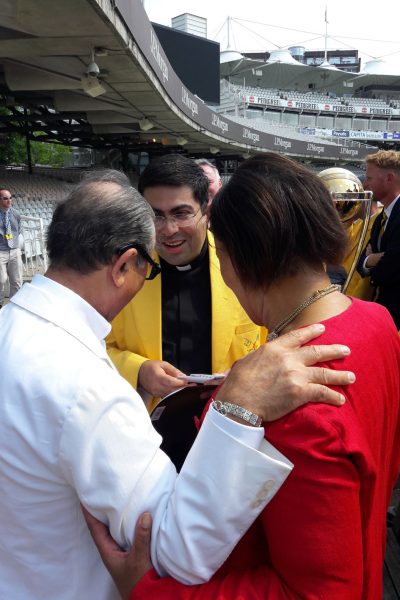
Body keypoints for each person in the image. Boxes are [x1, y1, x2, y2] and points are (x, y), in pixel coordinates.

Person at [0, 168, 354, 600]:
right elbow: (175, 549)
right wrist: (234, 409)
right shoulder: (90, 390)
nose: (168, 232)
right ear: (126, 264)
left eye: (181, 213)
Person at [90, 154, 400, 600]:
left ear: (235, 256)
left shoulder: (296, 403)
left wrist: (151, 591)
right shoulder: (379, 323)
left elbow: (317, 592)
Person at [106, 155, 264, 413]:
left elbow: (274, 343)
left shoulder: (248, 268)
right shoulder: (119, 272)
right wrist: (138, 370)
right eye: (156, 216)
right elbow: (92, 347)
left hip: (227, 421)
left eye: (181, 214)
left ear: (206, 210)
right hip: (144, 427)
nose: (168, 230)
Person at [358, 149, 400, 328]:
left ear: (389, 178)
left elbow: (394, 265)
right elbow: (361, 263)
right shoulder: (382, 218)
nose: (365, 184)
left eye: (369, 178)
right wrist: (372, 259)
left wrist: (373, 260)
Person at [0, 187, 23, 308]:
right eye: (5, 198)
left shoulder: (15, 214)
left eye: (10, 198)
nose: (9, 201)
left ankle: (15, 305)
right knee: (1, 279)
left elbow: (18, 230)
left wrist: (14, 244)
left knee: (17, 280)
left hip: (14, 250)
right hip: (0, 251)